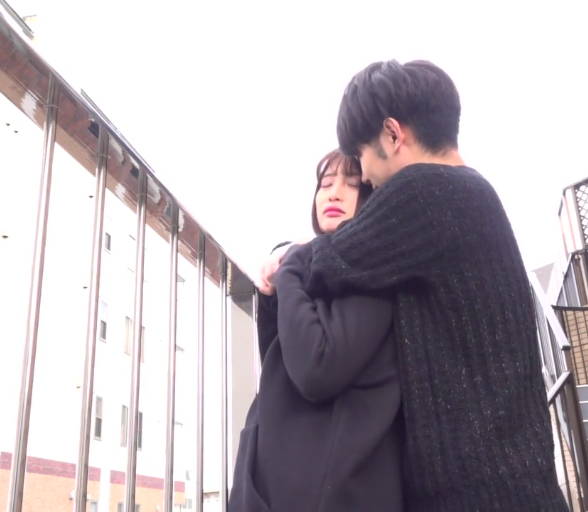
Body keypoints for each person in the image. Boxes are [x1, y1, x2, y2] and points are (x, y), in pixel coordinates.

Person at [259, 60, 568, 511]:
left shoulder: (426, 191)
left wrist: (284, 256)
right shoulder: (469, 192)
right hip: (511, 484)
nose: (366, 177)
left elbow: (330, 258)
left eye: (361, 157)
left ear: (392, 134)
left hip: (482, 496)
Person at [230, 150, 404, 512]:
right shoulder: (318, 269)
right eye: (325, 184)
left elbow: (316, 367)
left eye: (352, 184)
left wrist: (291, 264)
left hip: (328, 491)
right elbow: (281, 366)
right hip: (277, 484)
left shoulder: (372, 267)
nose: (334, 193)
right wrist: (273, 295)